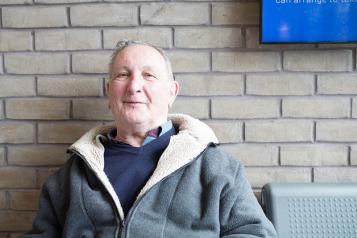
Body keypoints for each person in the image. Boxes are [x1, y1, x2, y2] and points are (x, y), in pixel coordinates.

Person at [23, 40, 277, 237]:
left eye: (149, 75)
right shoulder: (72, 175)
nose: (134, 86)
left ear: (171, 92)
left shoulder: (217, 168)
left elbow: (255, 233)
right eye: (123, 75)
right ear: (109, 92)